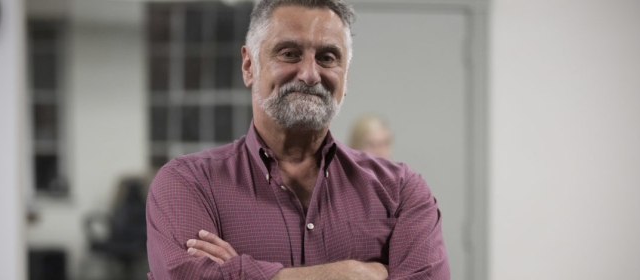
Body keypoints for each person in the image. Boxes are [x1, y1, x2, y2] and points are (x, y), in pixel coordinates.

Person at [146, 0, 450, 279]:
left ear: (346, 78)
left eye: (327, 57)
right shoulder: (187, 183)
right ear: (249, 66)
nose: (309, 74)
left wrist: (239, 272)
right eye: (289, 53)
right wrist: (351, 273)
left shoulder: (400, 192)